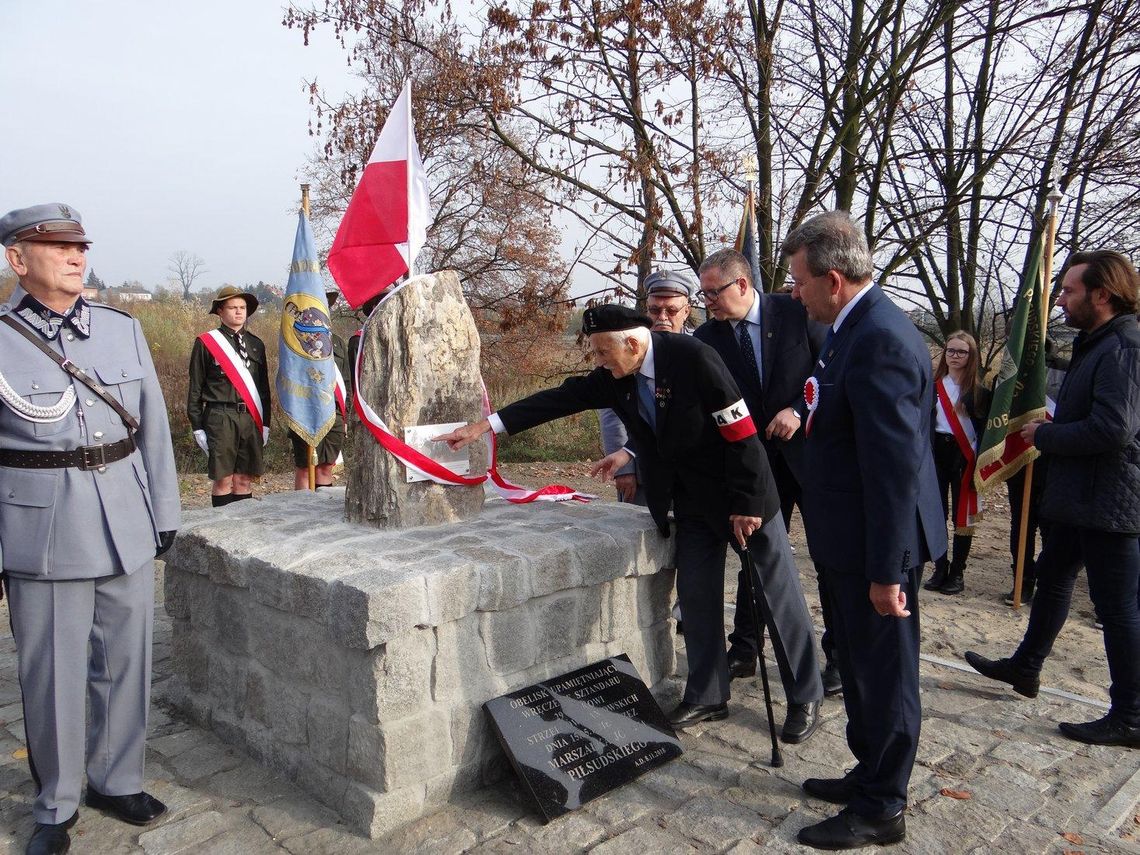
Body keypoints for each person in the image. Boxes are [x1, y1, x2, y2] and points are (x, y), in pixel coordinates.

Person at [435, 304, 824, 742]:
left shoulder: (693, 358)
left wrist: (749, 502)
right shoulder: (618, 374)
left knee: (776, 595)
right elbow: (561, 399)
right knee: (696, 596)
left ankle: (804, 695)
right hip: (690, 501)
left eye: (603, 353)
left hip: (741, 495)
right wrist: (484, 426)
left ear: (634, 343)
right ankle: (708, 694)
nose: (599, 362)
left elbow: (740, 431)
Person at [0, 203, 180, 855]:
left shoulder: (120, 330)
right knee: (51, 674)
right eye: (56, 245)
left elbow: (151, 429)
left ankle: (117, 777)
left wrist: (165, 512)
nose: (76, 254)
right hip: (44, 533)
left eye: (80, 244)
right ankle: (57, 801)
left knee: (127, 660)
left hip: (124, 521)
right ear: (18, 259)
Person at [786, 211, 945, 850]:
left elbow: (892, 470)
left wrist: (886, 571)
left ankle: (883, 805)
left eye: (798, 281)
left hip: (878, 547)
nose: (793, 292)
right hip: (848, 539)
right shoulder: (848, 329)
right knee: (855, 662)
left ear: (832, 277)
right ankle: (869, 770)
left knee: (885, 674)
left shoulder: (880, 337)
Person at [965, 250, 1140, 749]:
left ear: (1102, 295)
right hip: (1079, 497)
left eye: (1069, 291)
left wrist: (1046, 436)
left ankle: (1131, 713)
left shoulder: (1123, 346)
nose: (1060, 300)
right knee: (1053, 579)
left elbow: (1115, 428)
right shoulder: (1096, 343)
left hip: (1109, 502)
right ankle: (1026, 666)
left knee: (1119, 608)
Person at [693, 248, 841, 696]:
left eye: (713, 293)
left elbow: (829, 370)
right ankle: (745, 647)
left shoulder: (796, 310)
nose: (709, 303)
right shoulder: (707, 338)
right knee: (756, 556)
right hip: (754, 466)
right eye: (703, 296)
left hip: (809, 458)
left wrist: (799, 409)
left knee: (828, 558)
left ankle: (837, 658)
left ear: (742, 285)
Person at [599, 270, 695, 504]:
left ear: (687, 311)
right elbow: (612, 414)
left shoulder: (701, 349)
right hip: (642, 473)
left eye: (671, 310)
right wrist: (625, 469)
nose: (662, 317)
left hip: (693, 474)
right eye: (654, 310)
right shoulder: (629, 349)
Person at [187, 286, 271, 506]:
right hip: (220, 416)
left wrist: (266, 424)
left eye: (242, 307)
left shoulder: (256, 344)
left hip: (250, 417)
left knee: (244, 479)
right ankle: (222, 531)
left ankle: (244, 531)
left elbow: (263, 389)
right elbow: (195, 388)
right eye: (233, 307)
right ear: (220, 311)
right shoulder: (206, 343)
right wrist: (197, 426)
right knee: (223, 479)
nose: (239, 312)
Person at [925, 331, 989, 596]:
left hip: (965, 456)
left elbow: (986, 431)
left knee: (963, 517)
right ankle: (940, 566)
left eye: (961, 352)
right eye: (950, 350)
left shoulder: (980, 393)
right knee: (936, 512)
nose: (954, 356)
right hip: (937, 451)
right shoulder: (932, 385)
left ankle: (957, 572)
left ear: (971, 355)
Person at [289, 290, 348, 490]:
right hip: (304, 410)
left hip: (334, 412)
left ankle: (321, 516)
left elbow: (346, 381)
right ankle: (302, 514)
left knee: (325, 467)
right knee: (306, 468)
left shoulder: (337, 342)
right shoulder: (294, 338)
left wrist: (345, 416)